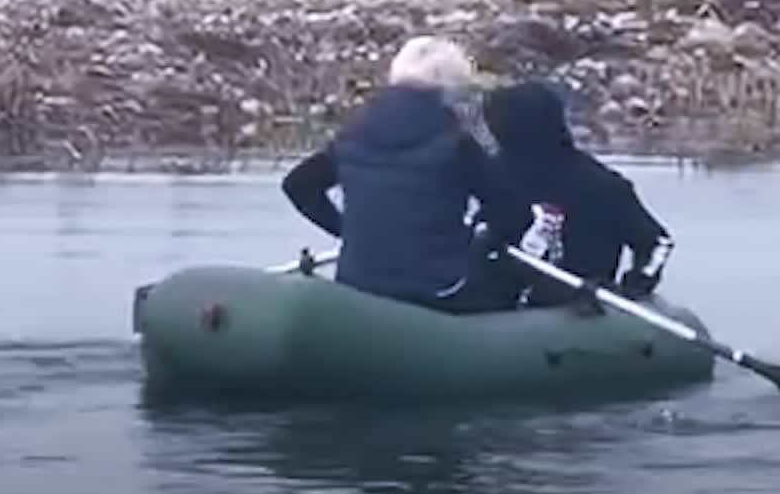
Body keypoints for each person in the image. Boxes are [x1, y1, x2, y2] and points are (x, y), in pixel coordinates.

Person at [281, 36, 531, 312]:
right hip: (437, 289)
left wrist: (346, 230)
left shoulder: (352, 136)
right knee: (505, 289)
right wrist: (478, 244)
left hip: (357, 285)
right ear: (450, 89)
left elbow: (298, 185)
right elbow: (514, 212)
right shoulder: (455, 143)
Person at [481, 80, 674, 307]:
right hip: (499, 307)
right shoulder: (486, 176)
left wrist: (632, 288)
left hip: (581, 308)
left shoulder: (602, 186)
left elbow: (657, 242)